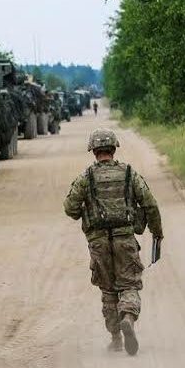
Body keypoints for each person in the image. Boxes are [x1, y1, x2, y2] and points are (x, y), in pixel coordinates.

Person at [63, 128, 163, 355]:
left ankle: (116, 338)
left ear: (93, 151)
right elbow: (150, 204)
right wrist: (157, 232)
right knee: (129, 285)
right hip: (125, 241)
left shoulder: (86, 178)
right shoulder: (129, 173)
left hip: (98, 243)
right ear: (114, 148)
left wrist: (85, 210)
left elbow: (70, 208)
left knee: (108, 291)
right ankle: (128, 316)